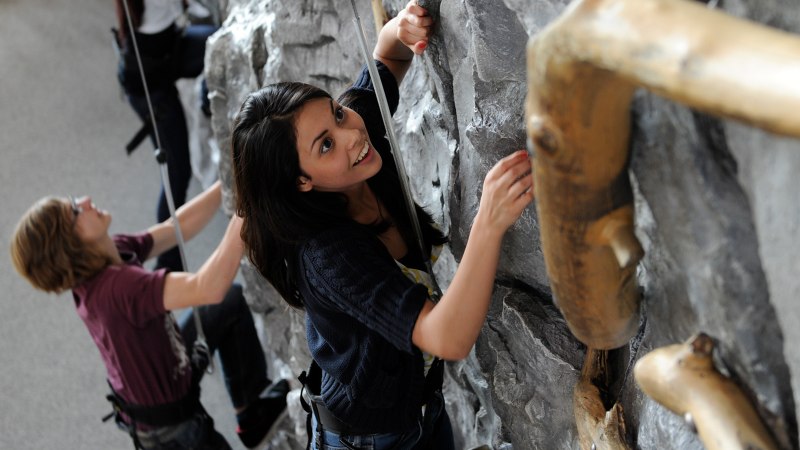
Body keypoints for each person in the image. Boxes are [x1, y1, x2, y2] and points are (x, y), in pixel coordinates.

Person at [229, 1, 535, 449]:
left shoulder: (358, 141)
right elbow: (447, 337)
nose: (350, 134)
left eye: (335, 112)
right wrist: (489, 223)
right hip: (368, 439)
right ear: (302, 182)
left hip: (417, 409)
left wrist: (402, 26)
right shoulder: (330, 255)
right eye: (326, 144)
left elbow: (389, 57)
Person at [9, 181, 289, 450]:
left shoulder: (107, 251)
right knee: (220, 297)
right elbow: (207, 287)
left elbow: (175, 228)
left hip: (171, 365)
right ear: (69, 245)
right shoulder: (117, 290)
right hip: (171, 430)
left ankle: (253, 415)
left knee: (230, 304)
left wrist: (230, 181)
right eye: (74, 212)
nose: (83, 201)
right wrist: (245, 212)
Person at [114, 0, 217, 271]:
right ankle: (168, 266)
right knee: (176, 173)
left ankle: (208, 98)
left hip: (168, 51)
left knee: (217, 41)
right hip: (149, 85)